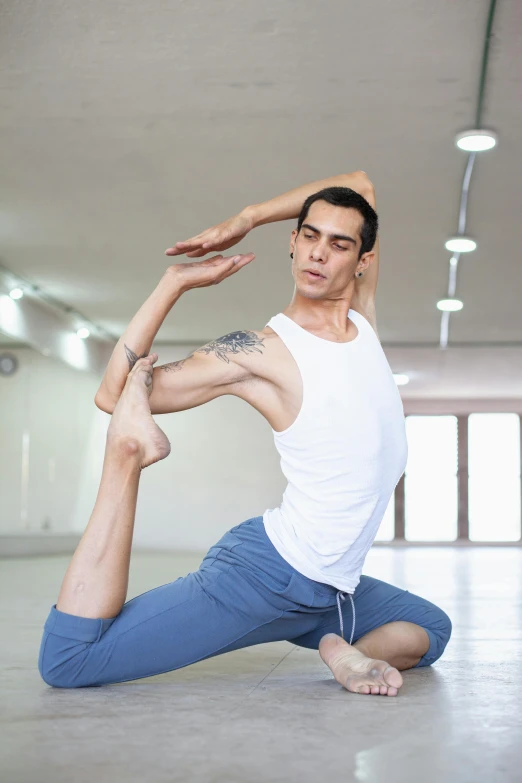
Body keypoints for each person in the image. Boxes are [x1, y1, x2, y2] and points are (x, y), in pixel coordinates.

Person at [38, 171, 452, 695]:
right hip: (267, 578)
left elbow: (361, 185)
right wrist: (175, 284)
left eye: (338, 243)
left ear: (362, 261)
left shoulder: (362, 320)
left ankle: (341, 650)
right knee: (70, 662)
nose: (319, 253)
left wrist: (248, 217)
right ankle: (126, 457)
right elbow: (112, 393)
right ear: (294, 242)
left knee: (431, 629)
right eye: (309, 235)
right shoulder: (260, 351)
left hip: (335, 593)